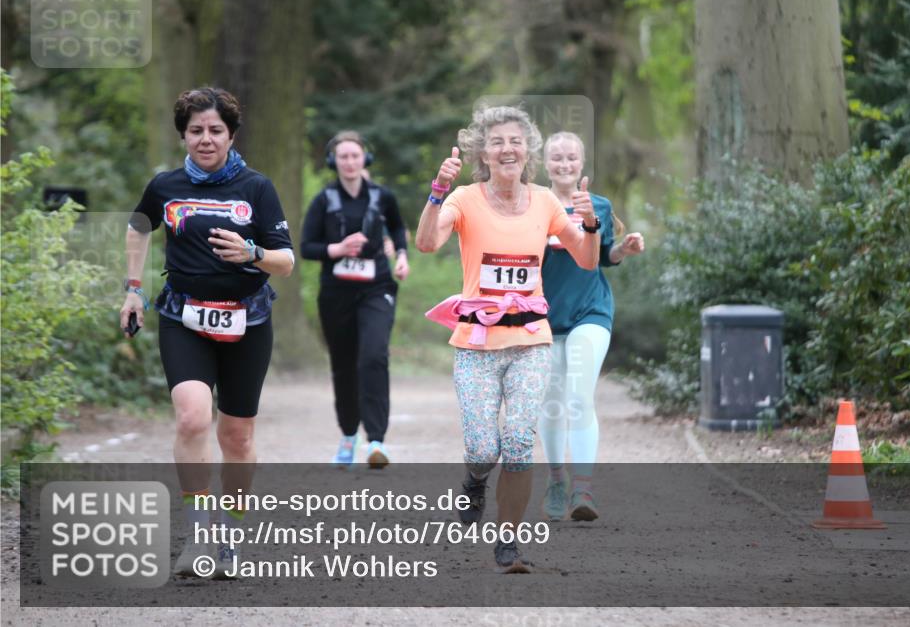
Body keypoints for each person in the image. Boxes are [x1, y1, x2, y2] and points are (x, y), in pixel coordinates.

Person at [120, 87, 294, 578]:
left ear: (231, 135)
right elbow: (138, 227)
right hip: (184, 318)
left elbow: (286, 261)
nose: (205, 139)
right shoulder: (165, 186)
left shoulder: (257, 188)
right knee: (193, 418)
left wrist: (252, 254)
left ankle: (231, 536)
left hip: (248, 320)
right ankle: (198, 536)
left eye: (216, 130)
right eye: (196, 130)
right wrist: (133, 288)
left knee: (236, 436)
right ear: (183, 135)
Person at [416, 106, 600, 572]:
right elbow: (426, 243)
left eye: (516, 140)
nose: (507, 149)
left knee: (518, 441)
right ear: (483, 151)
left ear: (528, 150)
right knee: (483, 448)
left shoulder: (545, 201)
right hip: (476, 344)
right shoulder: (464, 197)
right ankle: (475, 479)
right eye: (497, 141)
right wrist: (437, 192)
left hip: (531, 342)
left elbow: (586, 259)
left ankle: (509, 542)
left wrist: (591, 225)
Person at [536, 132, 644, 522]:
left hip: (590, 311)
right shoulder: (531, 203)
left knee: (579, 396)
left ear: (582, 163)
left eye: (571, 158)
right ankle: (555, 478)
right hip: (541, 315)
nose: (564, 165)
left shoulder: (597, 204)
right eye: (557, 158)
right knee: (550, 401)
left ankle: (583, 489)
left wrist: (624, 249)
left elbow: (606, 257)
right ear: (544, 163)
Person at [301, 131, 409, 468]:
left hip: (376, 287)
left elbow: (397, 227)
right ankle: (348, 435)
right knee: (344, 364)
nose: (349, 162)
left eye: (355, 156)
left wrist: (402, 255)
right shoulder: (323, 201)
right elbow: (306, 247)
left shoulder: (382, 196)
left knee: (374, 355)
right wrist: (336, 249)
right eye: (343, 156)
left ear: (365, 159)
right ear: (334, 162)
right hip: (336, 293)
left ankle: (376, 441)